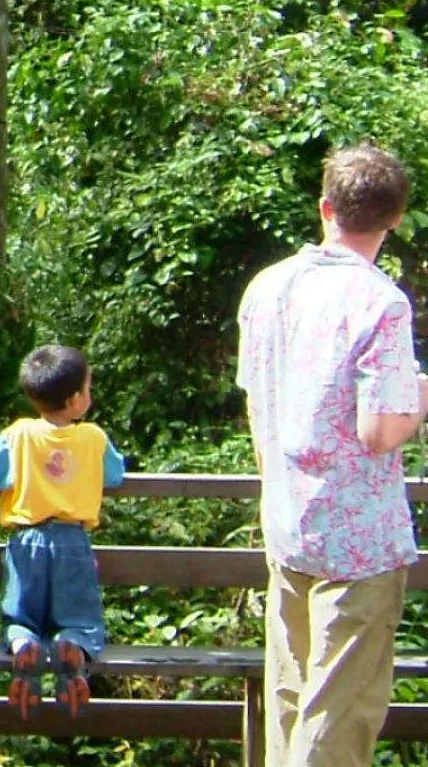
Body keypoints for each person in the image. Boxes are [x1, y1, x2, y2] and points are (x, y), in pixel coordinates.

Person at [237, 144, 424, 767]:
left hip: (288, 525)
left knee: (292, 702)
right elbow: (379, 431)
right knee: (337, 721)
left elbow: (255, 400)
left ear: (325, 208)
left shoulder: (269, 288)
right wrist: (419, 400)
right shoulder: (381, 302)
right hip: (359, 542)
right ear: (394, 219)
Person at [0, 345, 126, 718]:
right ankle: (73, 642)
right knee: (79, 617)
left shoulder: (19, 433)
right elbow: (115, 475)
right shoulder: (93, 437)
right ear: (75, 400)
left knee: (21, 615)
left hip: (24, 541)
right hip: (72, 540)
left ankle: (24, 643)